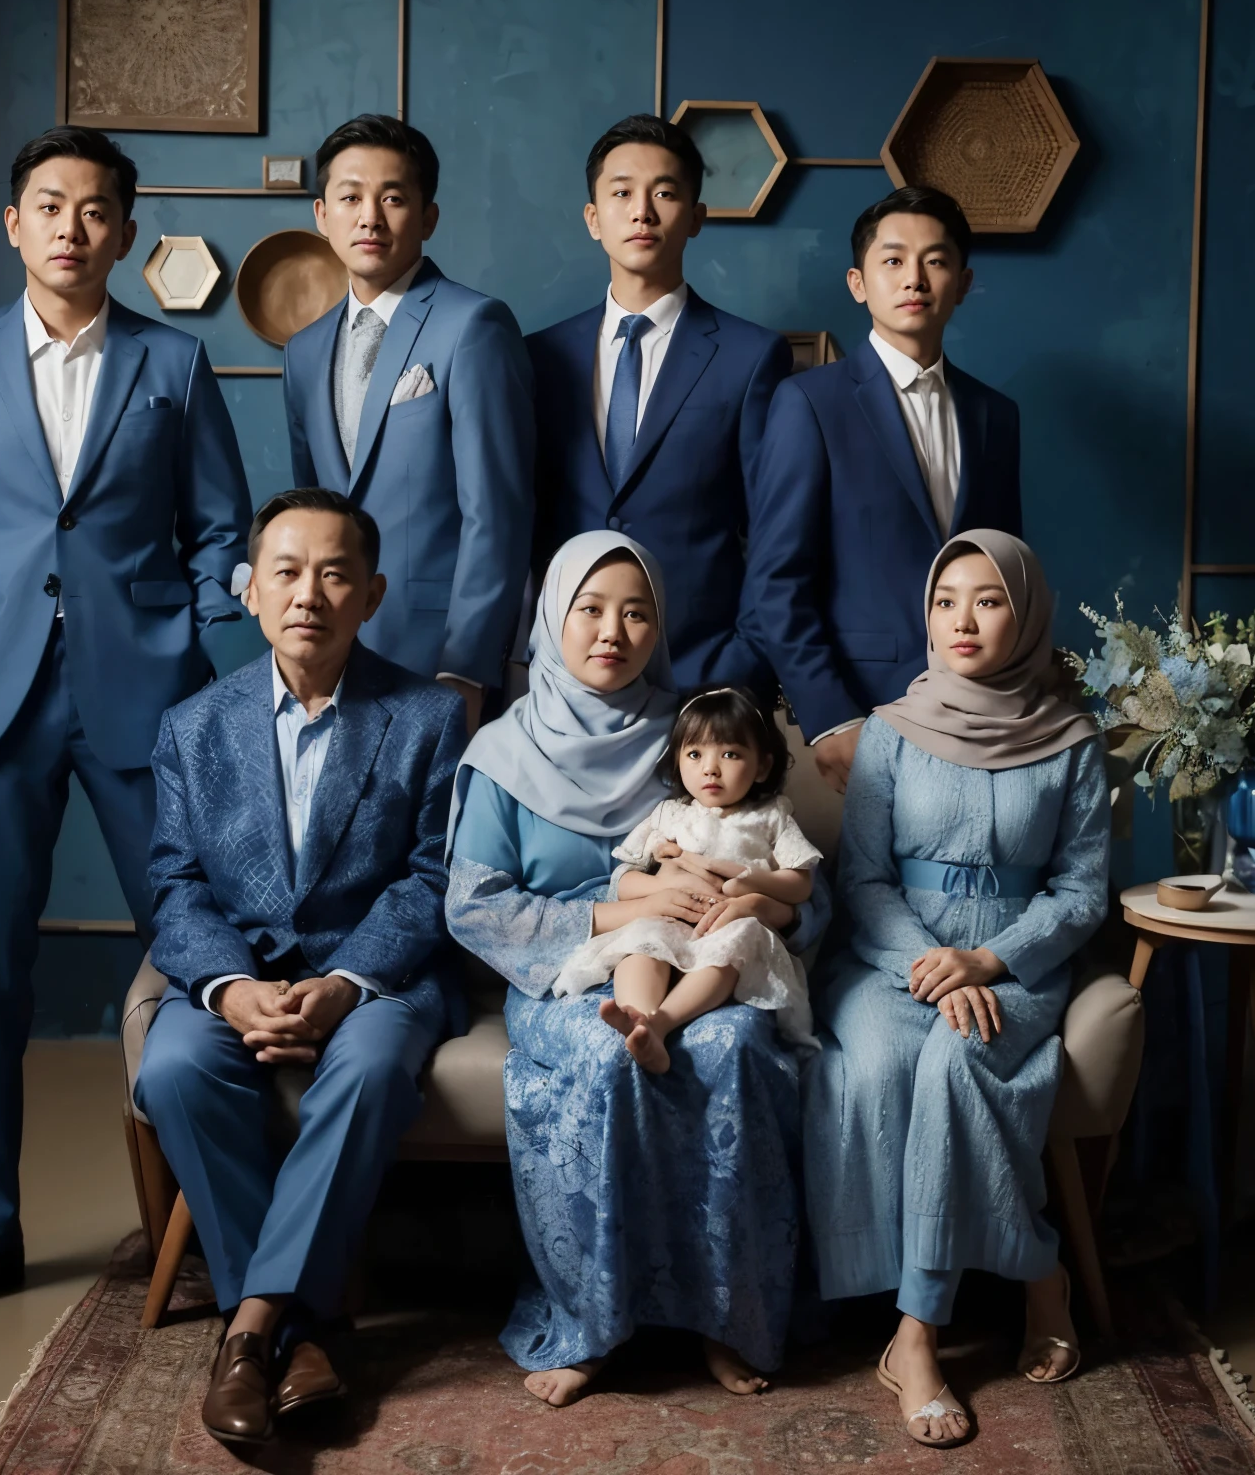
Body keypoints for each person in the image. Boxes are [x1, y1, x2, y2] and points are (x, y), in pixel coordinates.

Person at [0, 126, 250, 1314]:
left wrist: (192, 633)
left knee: (200, 953)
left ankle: (223, 1225)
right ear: (13, 222)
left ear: (125, 233)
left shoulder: (175, 364)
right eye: (49, 205)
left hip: (144, 694)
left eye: (95, 211)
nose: (71, 228)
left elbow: (217, 530)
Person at [444, 532, 822, 1408]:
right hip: (575, 972)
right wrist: (629, 908)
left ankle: (727, 1321)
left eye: (637, 612)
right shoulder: (506, 751)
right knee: (611, 1058)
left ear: (661, 628)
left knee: (729, 1049)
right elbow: (474, 907)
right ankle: (593, 1321)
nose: (612, 631)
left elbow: (803, 889)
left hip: (706, 965)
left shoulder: (698, 736)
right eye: (590, 609)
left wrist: (764, 902)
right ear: (552, 618)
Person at [135, 488, 467, 1450]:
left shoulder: (430, 716)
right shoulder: (192, 726)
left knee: (364, 1070)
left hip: (377, 977)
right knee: (173, 1067)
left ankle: (247, 1333)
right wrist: (232, 989)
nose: (308, 594)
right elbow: (177, 884)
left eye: (334, 573)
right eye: (285, 571)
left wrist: (345, 983)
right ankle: (305, 1329)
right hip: (235, 971)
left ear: (372, 593)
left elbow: (431, 877)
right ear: (250, 591)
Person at [804, 531, 1107, 1450]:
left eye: (987, 599)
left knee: (956, 1057)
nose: (963, 620)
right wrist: (926, 966)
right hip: (895, 961)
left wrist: (991, 962)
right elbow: (860, 880)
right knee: (885, 1058)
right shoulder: (891, 729)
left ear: (1027, 613)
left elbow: (1083, 889)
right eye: (945, 601)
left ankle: (920, 1330)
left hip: (1015, 966)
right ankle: (1025, 1272)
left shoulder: (1071, 739)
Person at [745, 186, 1025, 793]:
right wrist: (828, 718)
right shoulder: (808, 403)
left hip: (981, 716)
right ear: (858, 282)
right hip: (859, 714)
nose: (915, 279)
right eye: (893, 261)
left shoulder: (995, 415)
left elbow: (1008, 574)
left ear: (964, 281)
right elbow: (774, 582)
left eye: (936, 261)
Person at [284, 113, 535, 735]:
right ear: (322, 215)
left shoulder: (474, 325)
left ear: (428, 217)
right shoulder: (305, 349)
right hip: (330, 658)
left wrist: (470, 667)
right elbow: (313, 511)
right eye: (350, 198)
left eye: (393, 198)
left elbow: (497, 515)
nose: (370, 217)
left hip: (439, 659)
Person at [526, 114, 792, 692]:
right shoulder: (538, 357)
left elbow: (774, 531)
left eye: (665, 193)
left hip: (699, 673)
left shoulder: (750, 356)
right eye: (621, 193)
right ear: (593, 219)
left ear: (696, 217)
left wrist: (742, 658)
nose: (642, 211)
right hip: (557, 677)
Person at [554, 682, 822, 1069]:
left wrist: (746, 882)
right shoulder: (670, 814)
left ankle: (660, 1025)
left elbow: (800, 884)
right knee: (643, 941)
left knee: (735, 946)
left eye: (729, 754)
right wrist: (660, 886)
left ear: (762, 766)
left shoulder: (772, 816)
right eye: (694, 753)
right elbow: (624, 879)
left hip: (726, 928)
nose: (710, 768)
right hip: (671, 921)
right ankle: (638, 1018)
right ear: (677, 760)